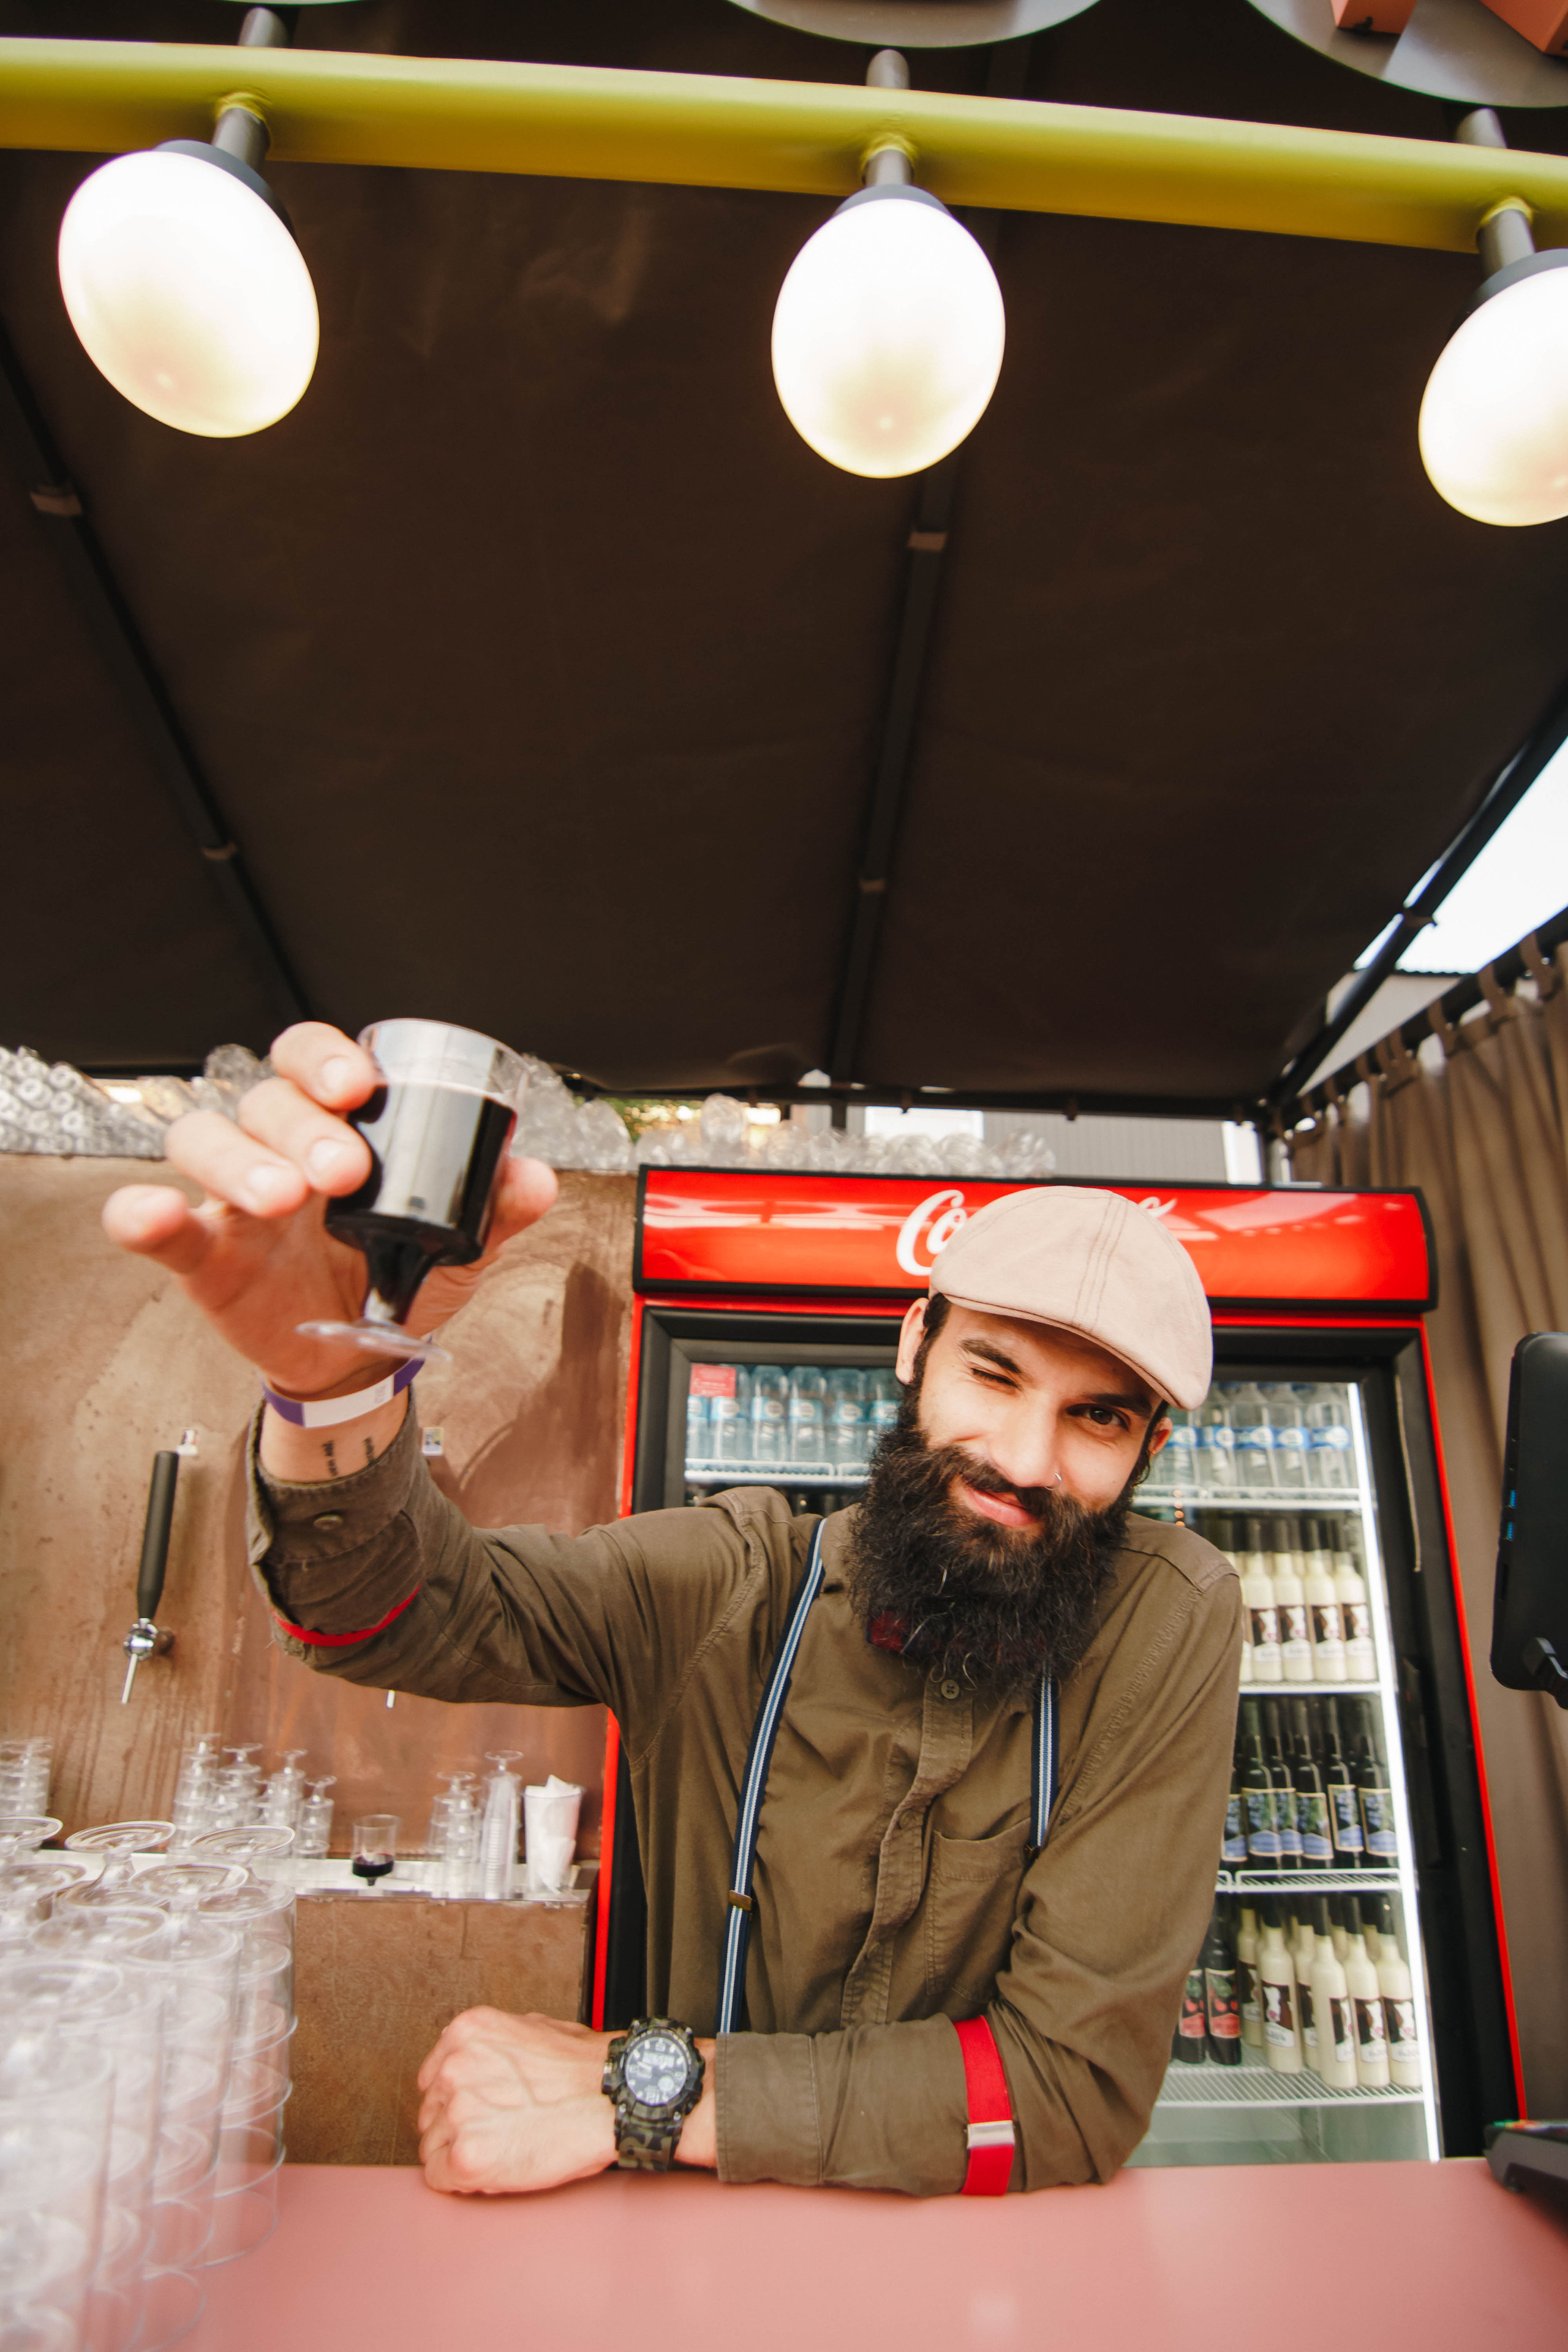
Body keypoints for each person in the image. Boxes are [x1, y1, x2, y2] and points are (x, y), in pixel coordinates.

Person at [104, 1022, 1241, 2201]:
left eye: (1097, 1418)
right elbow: (383, 1613)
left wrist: (638, 2087)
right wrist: (336, 1388)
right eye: (993, 1374)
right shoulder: (727, 1582)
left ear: (1150, 1449)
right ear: (916, 1346)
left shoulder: (1167, 1620)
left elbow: (1067, 2093)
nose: (1024, 1460)